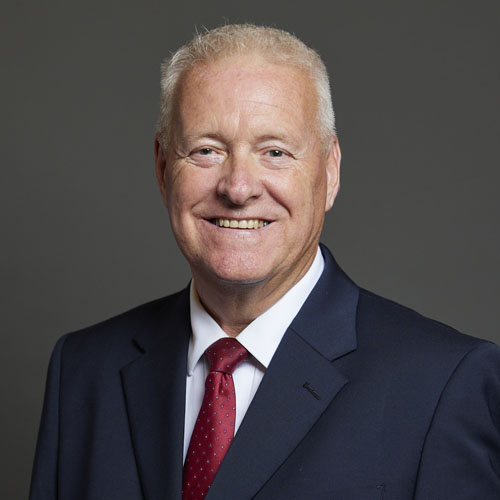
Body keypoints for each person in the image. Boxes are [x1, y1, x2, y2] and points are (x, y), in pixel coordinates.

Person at [30, 24, 500, 500]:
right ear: (162, 168)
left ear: (330, 171)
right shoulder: (84, 369)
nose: (238, 188)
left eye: (275, 152)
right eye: (206, 150)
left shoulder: (443, 384)